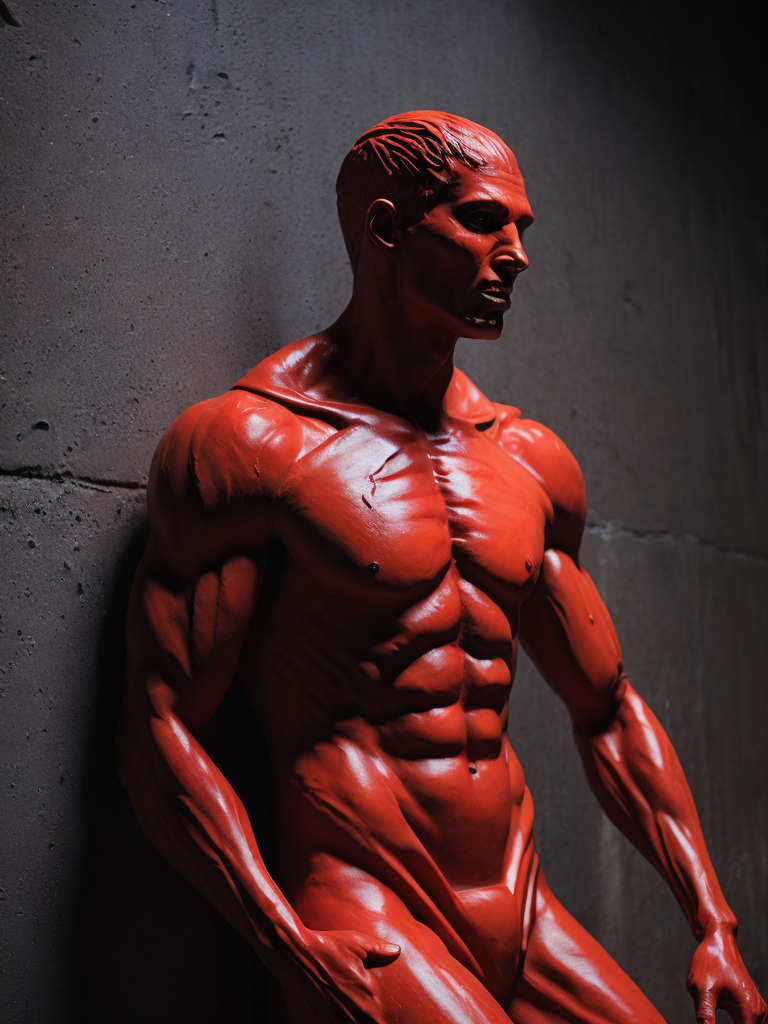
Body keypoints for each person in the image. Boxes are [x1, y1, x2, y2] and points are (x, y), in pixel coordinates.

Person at [117, 111, 766, 1024]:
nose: (516, 256)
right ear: (387, 229)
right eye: (483, 222)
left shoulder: (529, 461)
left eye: (522, 231)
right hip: (365, 909)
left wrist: (712, 919)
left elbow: (608, 709)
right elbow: (160, 726)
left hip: (523, 903)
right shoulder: (252, 444)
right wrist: (283, 943)